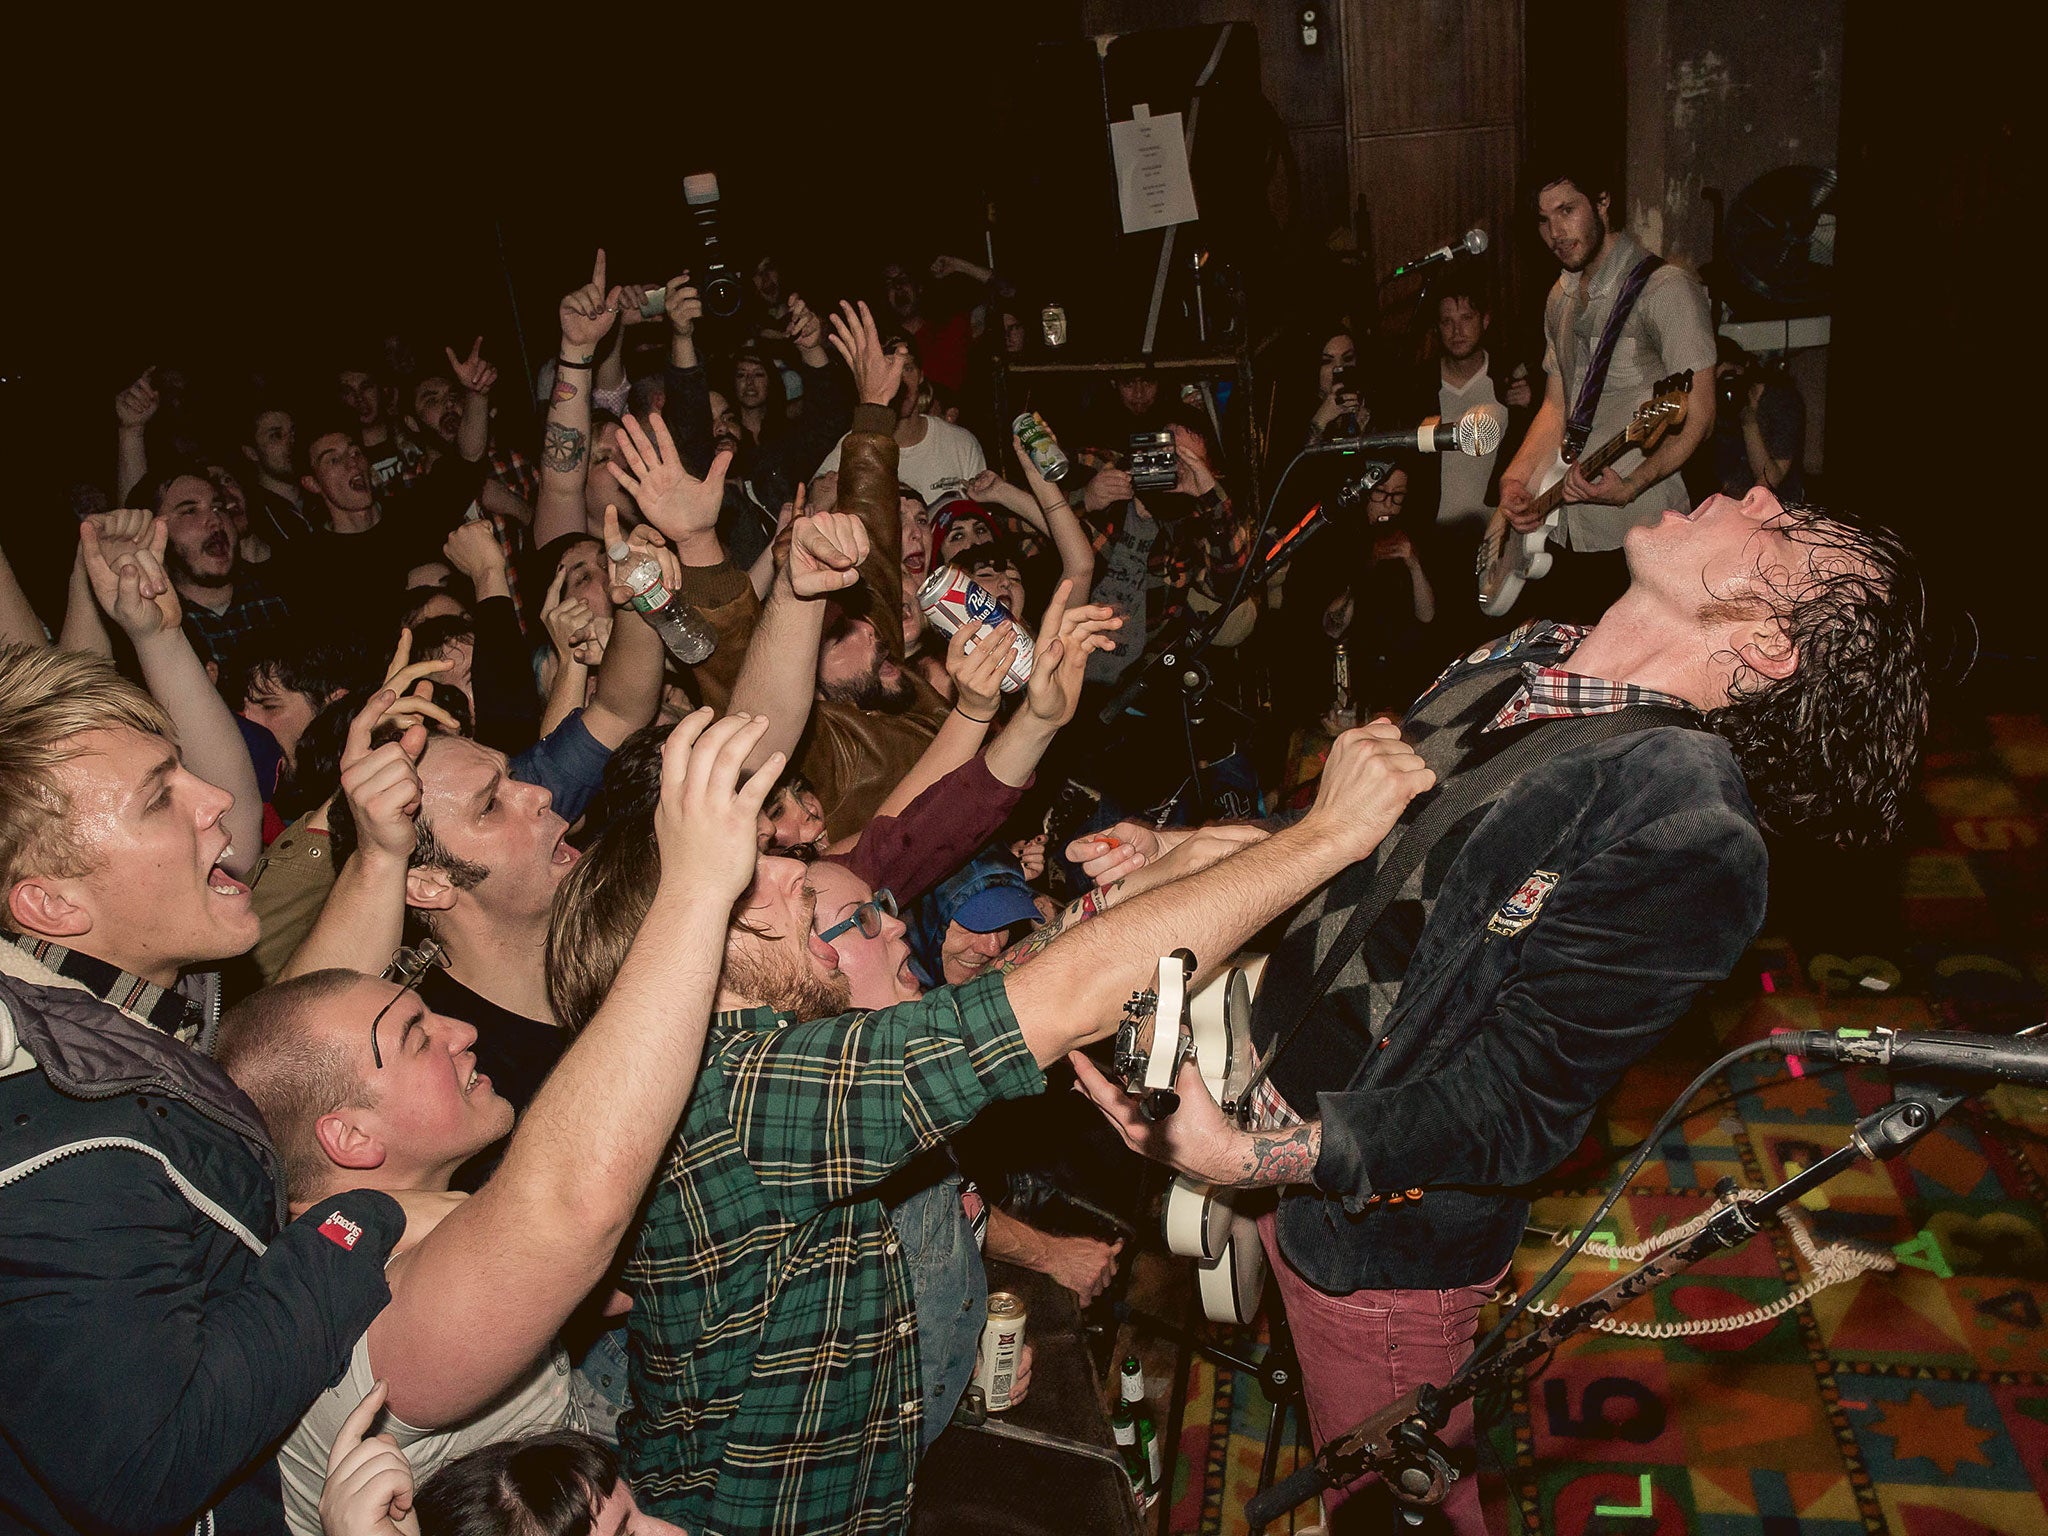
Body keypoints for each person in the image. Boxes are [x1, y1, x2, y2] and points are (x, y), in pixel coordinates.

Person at [1070, 486, 1932, 1533]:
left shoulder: (1687, 823)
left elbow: (1517, 1107)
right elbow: (1369, 848)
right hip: (1272, 1092)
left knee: (1392, 1511)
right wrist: (1204, 849)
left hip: (1378, 1248)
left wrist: (1256, 1158)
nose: (1753, 491)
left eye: (1788, 527)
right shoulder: (1529, 654)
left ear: (1764, 641)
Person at [543, 668, 1433, 1532]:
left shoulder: (771, 1059)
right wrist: (1330, 833)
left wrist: (1165, 870)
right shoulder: (745, 1090)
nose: (797, 876)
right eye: (752, 882)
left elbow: (1013, 977)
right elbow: (1058, 998)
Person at [218, 709, 777, 1535]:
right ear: (350, 1139)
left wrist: (382, 850)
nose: (459, 1027)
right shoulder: (366, 1319)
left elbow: (304, 1051)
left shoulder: (360, 1236)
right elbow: (566, 1213)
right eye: (416, 1036)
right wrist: (697, 888)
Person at [0, 643, 417, 1536]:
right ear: (54, 908)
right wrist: (361, 1224)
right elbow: (148, 1470)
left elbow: (268, 1076)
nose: (217, 797)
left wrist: (380, 857)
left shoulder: (96, 1024)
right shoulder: (65, 1150)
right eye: (161, 794)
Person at [1498, 158, 1718, 622]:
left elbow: (1699, 414)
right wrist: (1515, 480)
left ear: (1602, 204)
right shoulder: (1558, 296)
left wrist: (1633, 484)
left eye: (1566, 210)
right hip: (1566, 535)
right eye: (1543, 219)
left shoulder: (1665, 289)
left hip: (1642, 532)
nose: (1555, 232)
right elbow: (1557, 407)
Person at [135, 463, 295, 667]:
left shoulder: (285, 592)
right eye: (190, 511)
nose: (215, 520)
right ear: (152, 532)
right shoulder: (150, 624)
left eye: (218, 507)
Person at [816, 330, 987, 503]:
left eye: (907, 368)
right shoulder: (856, 444)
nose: (900, 380)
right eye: (888, 368)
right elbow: (817, 501)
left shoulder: (960, 443)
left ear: (921, 375)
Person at [1705, 337, 1806, 502]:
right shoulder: (1713, 404)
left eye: (1730, 376)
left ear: (1745, 366)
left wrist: (1749, 422)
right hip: (1730, 501)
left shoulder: (1780, 400)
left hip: (1777, 503)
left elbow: (1770, 479)